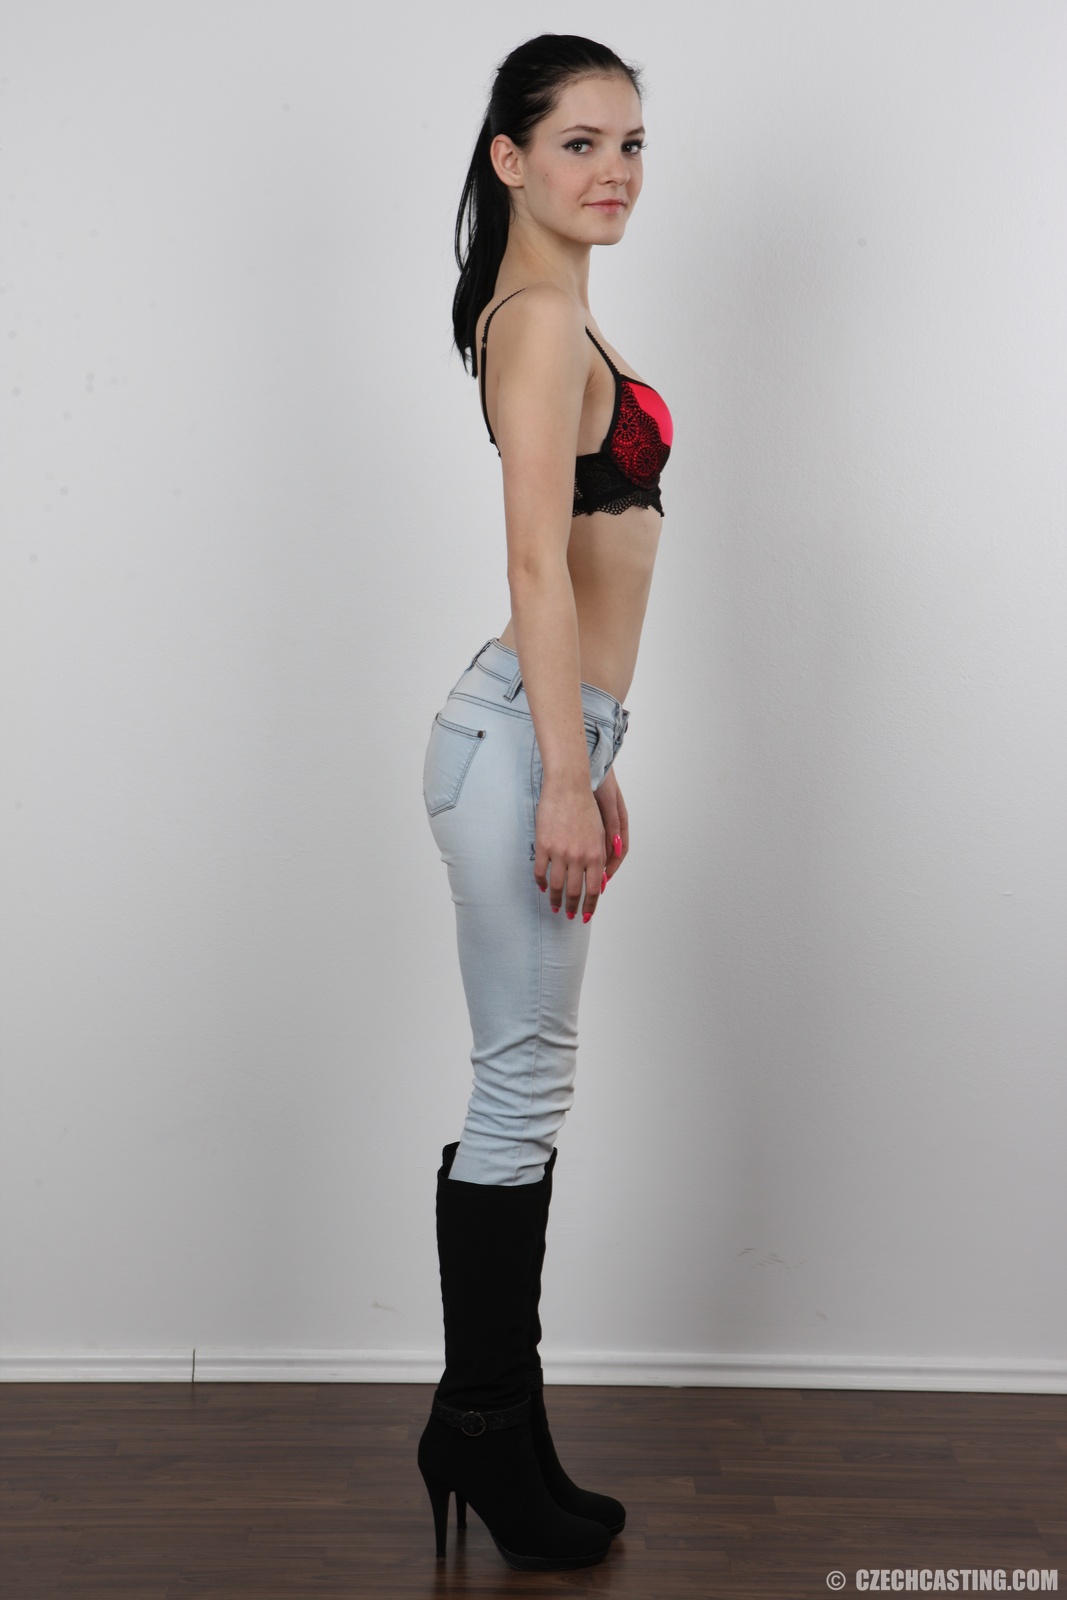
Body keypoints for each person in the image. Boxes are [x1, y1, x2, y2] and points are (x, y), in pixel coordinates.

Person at [416, 33, 674, 1573]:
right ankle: (480, 1432)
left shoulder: (555, 309)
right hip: (520, 742)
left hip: (548, 728)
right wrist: (564, 773)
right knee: (520, 1088)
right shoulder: (537, 319)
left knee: (527, 1085)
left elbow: (581, 556)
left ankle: (503, 1432)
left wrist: (597, 748)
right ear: (510, 159)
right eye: (581, 143)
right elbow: (531, 561)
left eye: (633, 144)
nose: (615, 171)